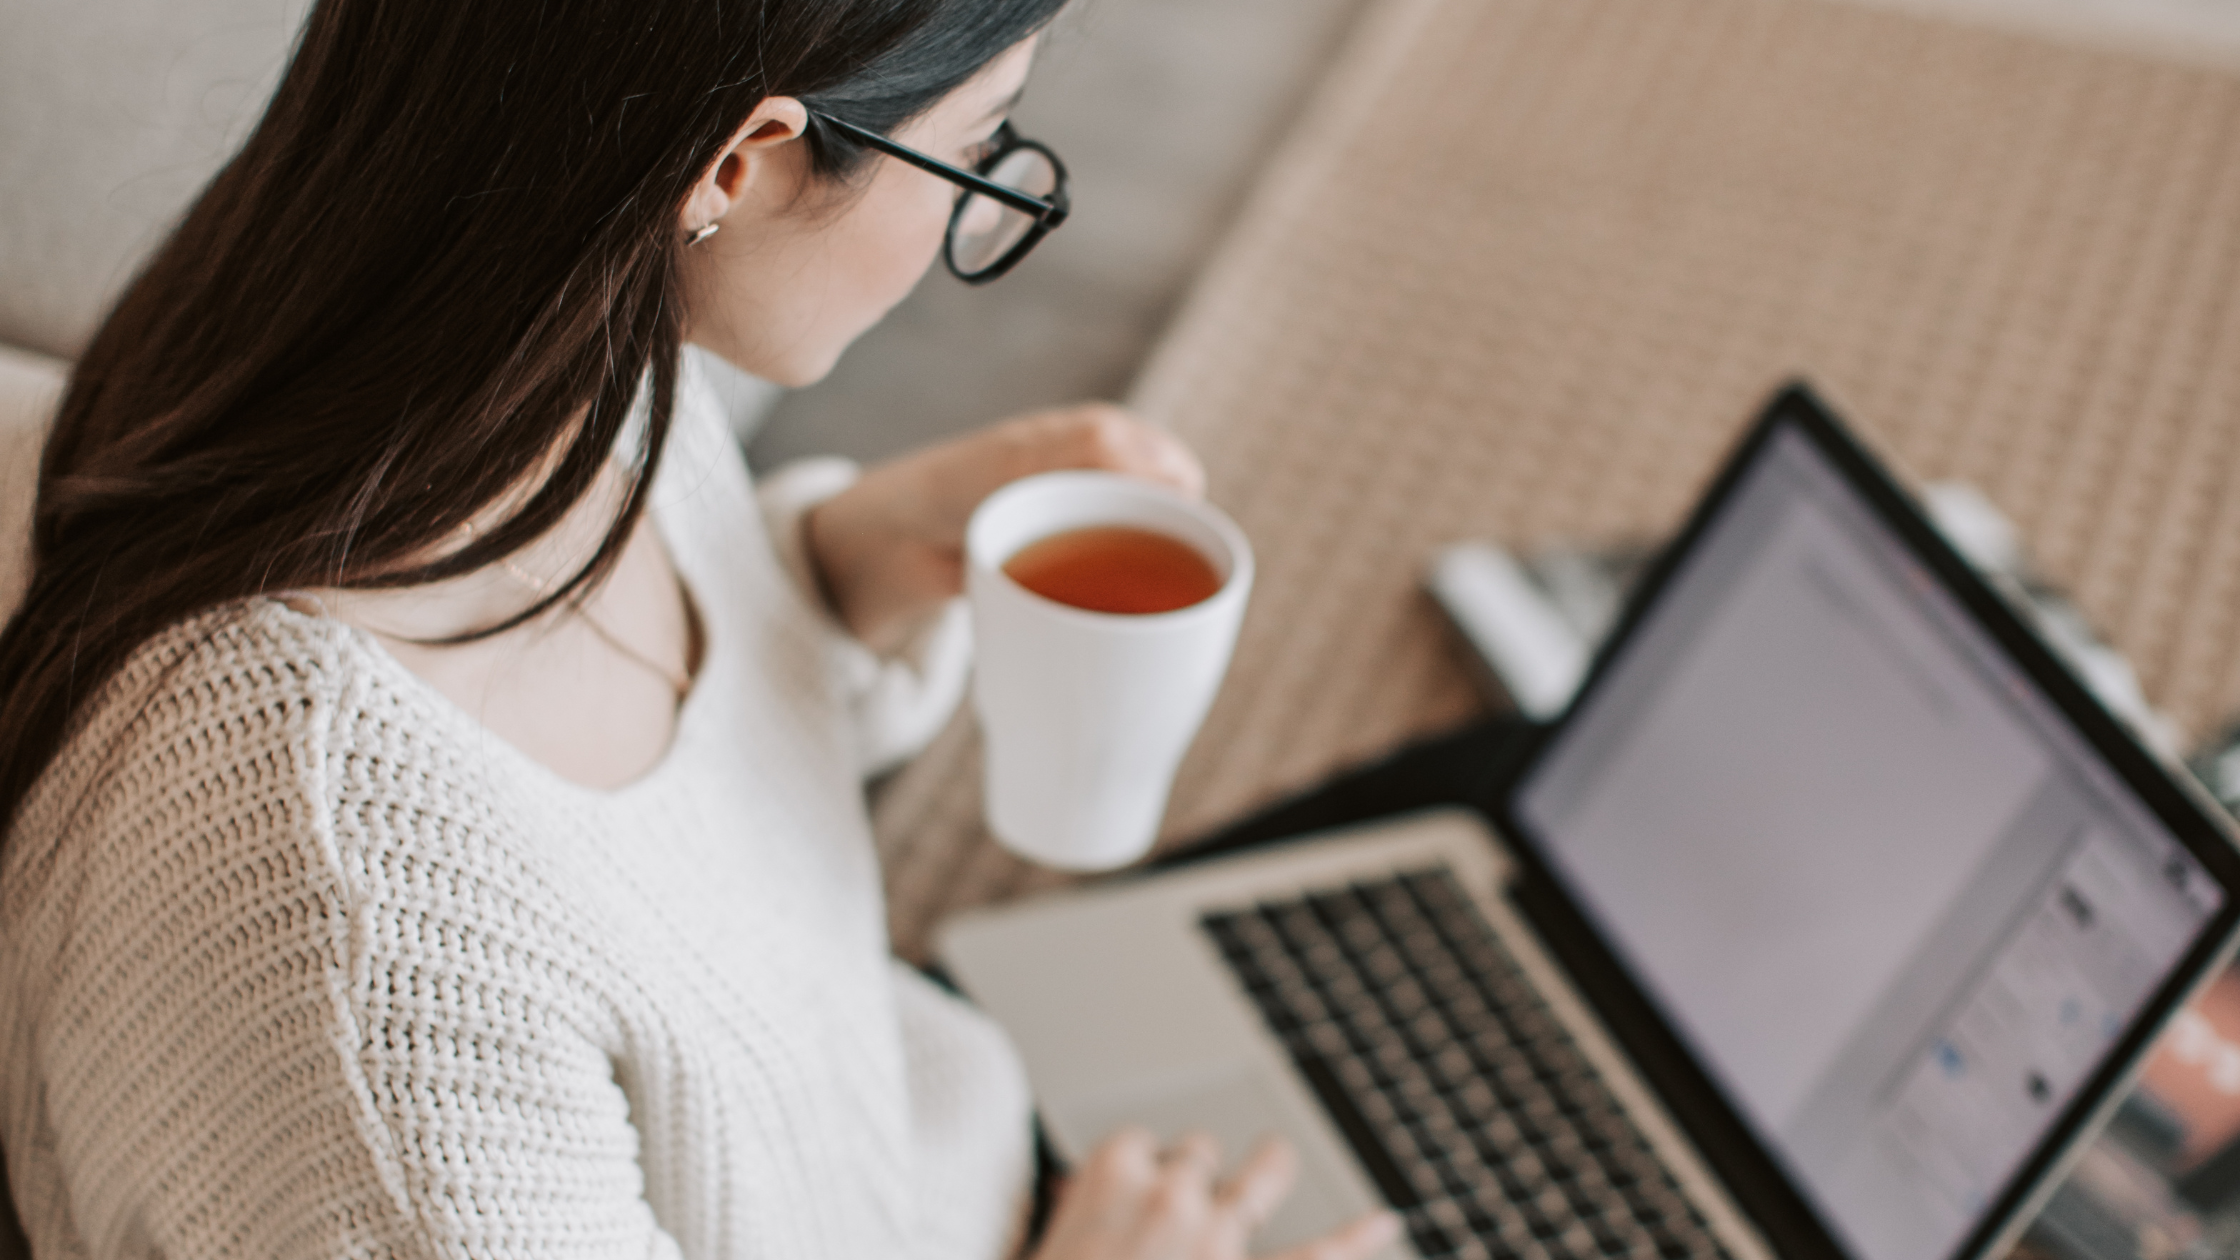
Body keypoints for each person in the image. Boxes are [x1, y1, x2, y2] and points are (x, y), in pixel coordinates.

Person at [0, 1, 1408, 1258]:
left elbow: (629, 834)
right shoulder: (367, 961)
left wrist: (835, 575)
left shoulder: (508, 349)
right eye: (976, 151)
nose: (972, 215)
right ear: (740, 163)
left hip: (917, 1122)